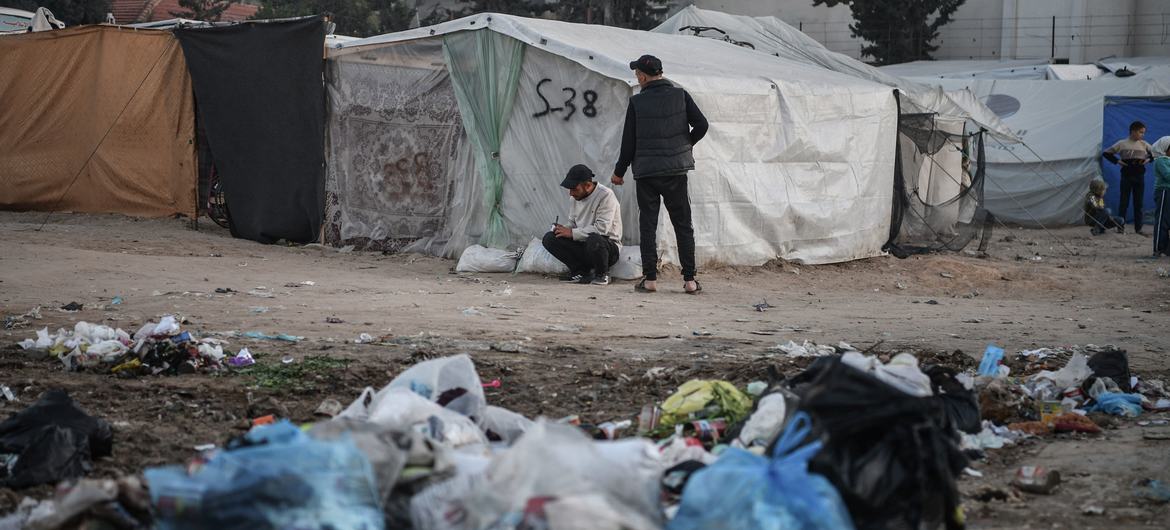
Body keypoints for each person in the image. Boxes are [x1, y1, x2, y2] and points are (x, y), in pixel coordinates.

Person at [610, 54, 709, 294]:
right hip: (675, 171)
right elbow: (702, 125)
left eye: (637, 75)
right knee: (683, 224)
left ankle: (650, 279)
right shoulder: (681, 95)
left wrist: (619, 172)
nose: (637, 78)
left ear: (643, 76)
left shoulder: (637, 103)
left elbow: (628, 143)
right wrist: (684, 146)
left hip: (647, 173)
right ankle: (690, 281)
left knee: (648, 224)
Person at [542, 164, 623, 285]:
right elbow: (573, 223)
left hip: (605, 248)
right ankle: (580, 272)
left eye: (574, 189)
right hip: (584, 244)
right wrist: (562, 229)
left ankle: (602, 274)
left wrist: (572, 233)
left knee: (594, 238)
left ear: (588, 186)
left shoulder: (606, 195)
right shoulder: (575, 198)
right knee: (550, 238)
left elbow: (602, 229)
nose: (571, 193)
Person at [1102, 121, 1154, 235]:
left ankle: (1138, 228)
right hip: (1126, 176)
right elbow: (1106, 153)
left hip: (1140, 177)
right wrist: (1117, 161)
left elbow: (1156, 153)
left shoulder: (1144, 144)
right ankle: (1120, 227)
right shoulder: (1122, 143)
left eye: (1143, 133)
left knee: (1138, 203)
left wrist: (1148, 160)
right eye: (1141, 132)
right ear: (1133, 131)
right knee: (1124, 202)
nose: (1142, 135)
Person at [1154, 149, 1170, 256]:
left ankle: (1167, 248)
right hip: (1165, 191)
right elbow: (1168, 176)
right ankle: (1159, 248)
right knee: (1162, 220)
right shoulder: (1161, 161)